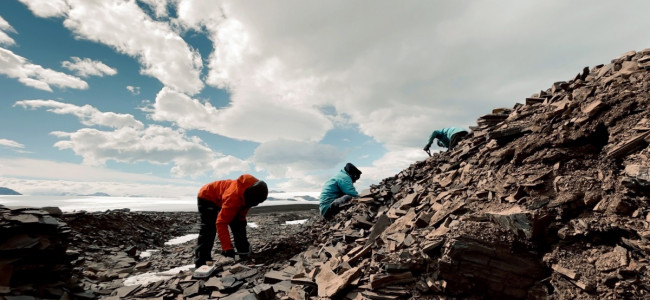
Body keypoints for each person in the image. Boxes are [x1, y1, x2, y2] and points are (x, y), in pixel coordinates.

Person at [194, 174, 268, 268]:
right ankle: (202, 261)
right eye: (254, 202)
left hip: (224, 197)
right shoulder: (233, 198)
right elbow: (221, 223)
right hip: (207, 195)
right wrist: (227, 248)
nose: (254, 204)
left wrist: (240, 222)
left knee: (239, 224)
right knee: (209, 228)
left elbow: (241, 214)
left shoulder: (251, 193)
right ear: (248, 197)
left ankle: (243, 252)